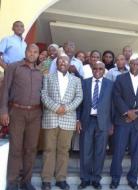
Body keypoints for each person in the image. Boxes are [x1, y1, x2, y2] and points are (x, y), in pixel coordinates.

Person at [0, 44, 43, 190]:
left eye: (35, 52)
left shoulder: (40, 71)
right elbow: (5, 89)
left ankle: (26, 181)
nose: (32, 54)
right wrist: (4, 111)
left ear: (38, 54)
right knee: (16, 148)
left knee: (31, 149)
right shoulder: (14, 67)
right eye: (30, 51)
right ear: (25, 52)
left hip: (36, 114)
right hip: (16, 112)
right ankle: (12, 182)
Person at [40, 54, 83, 190]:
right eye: (60, 60)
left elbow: (79, 97)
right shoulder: (47, 77)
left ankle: (61, 178)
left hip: (68, 119)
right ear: (56, 63)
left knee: (64, 151)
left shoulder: (76, 80)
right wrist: (56, 107)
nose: (62, 62)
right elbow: (44, 95)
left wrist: (65, 108)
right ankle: (46, 179)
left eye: (65, 60)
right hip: (50, 119)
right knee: (48, 150)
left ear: (69, 63)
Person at [110, 55, 138, 190]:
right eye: (133, 64)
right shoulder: (120, 78)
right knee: (118, 151)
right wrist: (127, 112)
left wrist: (136, 114)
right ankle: (115, 178)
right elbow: (116, 97)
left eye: (137, 64)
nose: (135, 66)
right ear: (130, 65)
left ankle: (132, 178)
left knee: (137, 153)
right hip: (122, 121)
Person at [77, 62, 113, 190]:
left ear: (104, 71)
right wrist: (78, 120)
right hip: (87, 120)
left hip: (103, 122)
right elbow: (79, 103)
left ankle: (96, 178)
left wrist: (111, 124)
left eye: (100, 69)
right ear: (92, 70)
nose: (97, 70)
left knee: (100, 152)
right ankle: (85, 179)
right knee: (86, 151)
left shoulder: (110, 84)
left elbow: (112, 106)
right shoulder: (84, 83)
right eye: (95, 68)